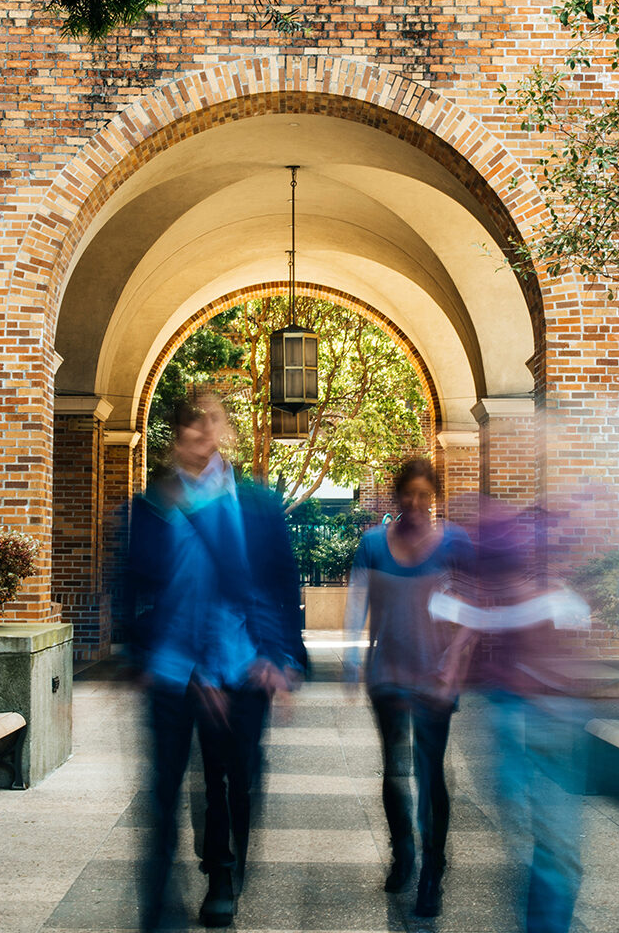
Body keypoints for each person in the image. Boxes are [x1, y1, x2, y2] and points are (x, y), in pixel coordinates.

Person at [125, 390, 306, 931]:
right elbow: (132, 587)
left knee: (232, 781)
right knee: (163, 787)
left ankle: (222, 874)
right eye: (191, 421)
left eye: (213, 419)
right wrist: (140, 654)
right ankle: (157, 906)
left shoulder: (255, 505)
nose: (202, 429)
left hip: (240, 664)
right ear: (177, 434)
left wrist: (282, 659)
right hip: (174, 669)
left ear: (226, 429)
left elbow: (281, 585)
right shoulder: (153, 505)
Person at [433, 494, 593, 933]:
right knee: (548, 847)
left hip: (539, 717)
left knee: (546, 845)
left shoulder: (540, 601)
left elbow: (474, 610)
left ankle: (547, 916)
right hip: (527, 717)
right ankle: (547, 917)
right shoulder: (537, 600)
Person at [343, 458, 471, 918]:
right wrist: (352, 657)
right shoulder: (374, 544)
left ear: (433, 498)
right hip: (388, 676)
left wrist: (454, 660)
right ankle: (404, 853)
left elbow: (473, 606)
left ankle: (433, 871)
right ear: (396, 499)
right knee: (396, 768)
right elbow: (358, 599)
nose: (416, 504)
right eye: (408, 495)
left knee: (430, 772)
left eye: (424, 495)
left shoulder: (454, 544)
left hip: (436, 677)